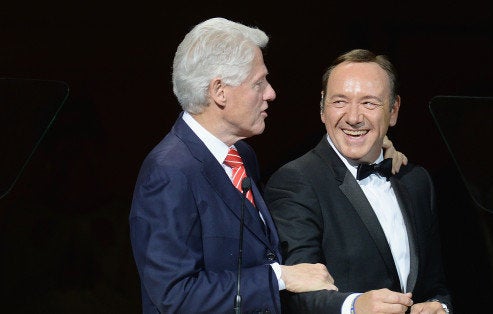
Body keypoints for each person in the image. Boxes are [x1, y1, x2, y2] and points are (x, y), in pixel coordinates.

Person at [129, 18, 405, 313]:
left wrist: (371, 148)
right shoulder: (168, 171)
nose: (271, 93)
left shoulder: (242, 155)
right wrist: (279, 278)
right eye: (259, 83)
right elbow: (175, 295)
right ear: (220, 91)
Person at [264, 49, 453, 314]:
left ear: (394, 109)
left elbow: (435, 285)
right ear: (322, 107)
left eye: (369, 103)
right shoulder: (296, 181)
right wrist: (354, 306)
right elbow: (295, 293)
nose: (353, 117)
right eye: (340, 102)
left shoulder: (416, 182)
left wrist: (440, 307)